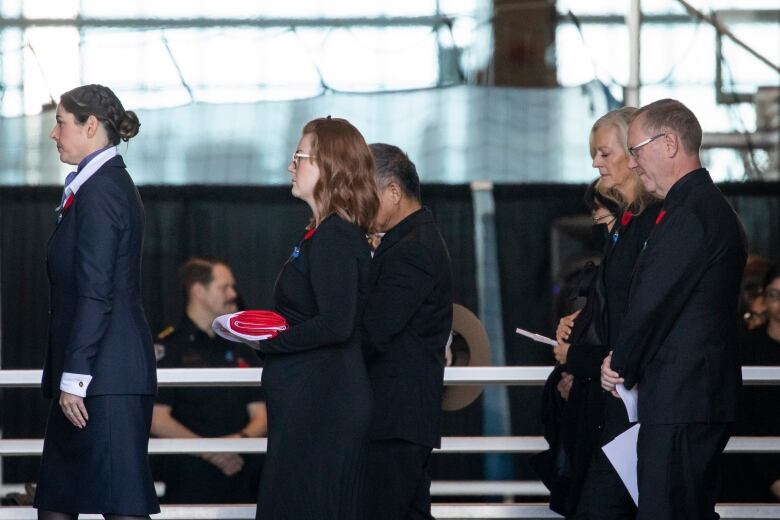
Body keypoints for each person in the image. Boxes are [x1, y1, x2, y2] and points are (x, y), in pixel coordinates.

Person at [601, 99, 748, 519]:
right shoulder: (707, 207)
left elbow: (654, 301)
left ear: (668, 143)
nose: (631, 164)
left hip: (682, 400)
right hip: (694, 397)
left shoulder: (689, 214)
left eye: (636, 150)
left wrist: (619, 362)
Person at [35, 84, 159, 519]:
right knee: (55, 503)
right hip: (92, 374)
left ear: (91, 126)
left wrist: (75, 377)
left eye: (61, 122)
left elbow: (96, 290)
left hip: (103, 379)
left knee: (121, 508)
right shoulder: (93, 187)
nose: (54, 133)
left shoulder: (103, 189)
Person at [252, 116, 379, 520]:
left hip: (324, 406)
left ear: (329, 166)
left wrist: (268, 342)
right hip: (313, 402)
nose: (291, 166)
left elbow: (337, 323)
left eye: (299, 157)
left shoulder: (335, 237)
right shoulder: (324, 233)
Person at [546, 107, 660, 519]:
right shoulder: (625, 225)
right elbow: (614, 308)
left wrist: (579, 357)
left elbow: (643, 316)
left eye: (604, 153)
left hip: (634, 399)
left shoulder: (653, 225)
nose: (595, 163)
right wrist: (581, 327)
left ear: (633, 154)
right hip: (612, 396)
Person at [361, 143, 453, 520]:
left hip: (395, 419)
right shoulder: (410, 241)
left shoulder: (412, 249)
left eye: (364, 196)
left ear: (393, 192)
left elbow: (374, 330)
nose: (357, 207)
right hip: (401, 418)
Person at [151, 258, 267, 504]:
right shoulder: (169, 347)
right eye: (224, 287)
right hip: (189, 480)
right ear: (199, 290)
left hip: (242, 476)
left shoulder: (241, 345)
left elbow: (262, 412)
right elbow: (156, 418)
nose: (233, 294)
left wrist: (240, 441)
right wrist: (211, 451)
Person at [723, 265, 780, 502]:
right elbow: (743, 415)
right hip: (750, 469)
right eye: (775, 295)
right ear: (764, 298)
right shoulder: (745, 348)